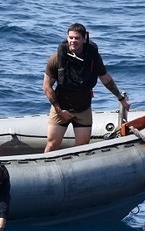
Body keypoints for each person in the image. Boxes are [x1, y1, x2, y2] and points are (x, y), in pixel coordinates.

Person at [42, 22, 131, 151]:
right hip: (60, 107)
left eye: (77, 38)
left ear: (84, 38)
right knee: (52, 144)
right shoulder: (56, 59)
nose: (73, 41)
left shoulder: (93, 58)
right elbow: (46, 87)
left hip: (83, 108)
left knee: (82, 147)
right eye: (70, 37)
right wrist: (60, 110)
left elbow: (106, 79)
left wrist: (120, 98)